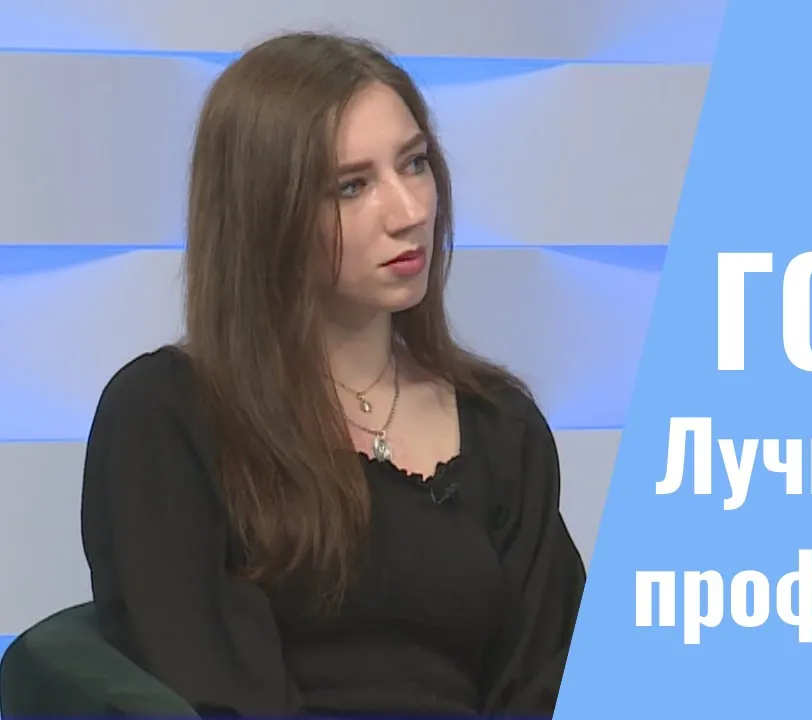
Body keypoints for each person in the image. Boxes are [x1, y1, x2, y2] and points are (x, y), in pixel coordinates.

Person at [79, 31, 586, 718]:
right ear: (266, 212)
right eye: (352, 186)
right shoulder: (167, 417)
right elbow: (209, 690)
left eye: (414, 164)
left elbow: (552, 680)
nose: (409, 212)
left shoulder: (501, 427)